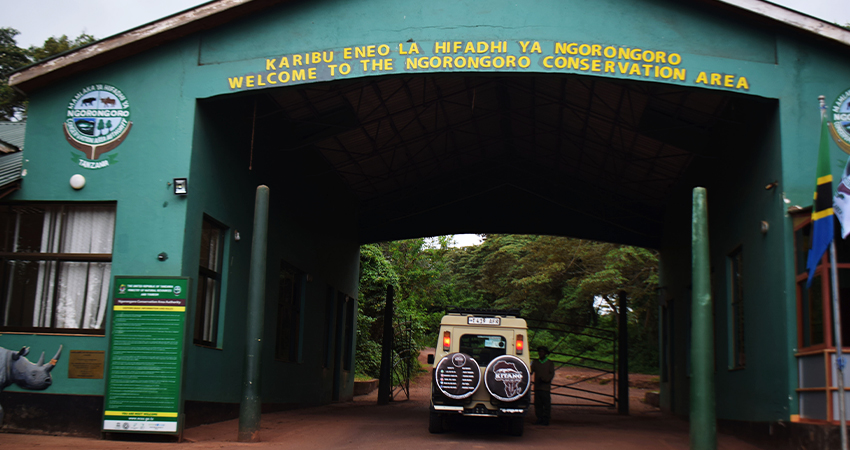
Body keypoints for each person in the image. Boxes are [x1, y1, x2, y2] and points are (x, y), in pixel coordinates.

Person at [530, 345, 555, 425]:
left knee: (546, 404)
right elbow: (530, 371)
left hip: (545, 388)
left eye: (542, 352)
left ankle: (546, 419)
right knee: (538, 404)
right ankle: (539, 418)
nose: (540, 353)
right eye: (539, 352)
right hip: (537, 387)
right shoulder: (535, 363)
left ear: (545, 353)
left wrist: (545, 379)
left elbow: (551, 374)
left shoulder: (549, 363)